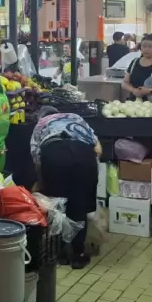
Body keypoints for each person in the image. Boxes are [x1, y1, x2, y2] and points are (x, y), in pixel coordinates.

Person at [31, 109, 102, 269]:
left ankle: (61, 254)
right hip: (83, 156)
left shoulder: (40, 126)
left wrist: (43, 183)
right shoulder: (76, 117)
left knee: (57, 206)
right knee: (79, 206)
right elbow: (98, 149)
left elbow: (37, 159)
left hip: (54, 156)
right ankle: (78, 255)